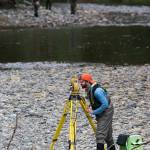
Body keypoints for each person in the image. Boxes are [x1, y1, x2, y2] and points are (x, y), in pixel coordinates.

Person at [78, 73, 115, 150]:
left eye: (82, 82)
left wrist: (93, 112)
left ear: (87, 82)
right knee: (108, 137)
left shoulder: (97, 91)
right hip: (102, 111)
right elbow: (93, 99)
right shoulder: (89, 88)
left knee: (100, 135)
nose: (80, 84)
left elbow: (105, 105)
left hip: (107, 111)